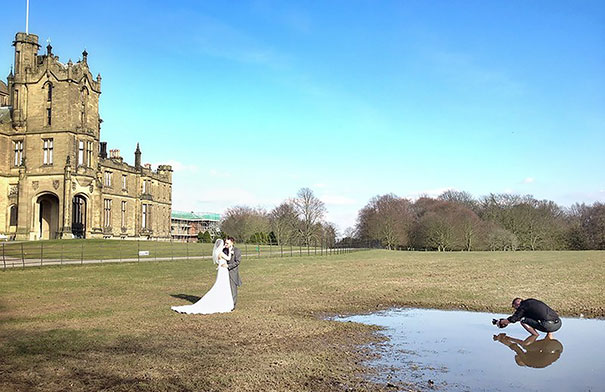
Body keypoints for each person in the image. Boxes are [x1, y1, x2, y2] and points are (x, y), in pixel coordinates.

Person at [171, 239, 234, 314]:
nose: (225, 245)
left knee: (221, 285)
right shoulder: (220, 253)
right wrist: (230, 250)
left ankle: (221, 300)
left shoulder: (217, 251)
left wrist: (225, 247)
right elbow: (229, 258)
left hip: (221, 270)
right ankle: (222, 302)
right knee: (223, 285)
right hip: (223, 270)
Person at [496, 298, 561, 338]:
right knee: (544, 318)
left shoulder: (522, 307)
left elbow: (514, 319)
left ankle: (535, 336)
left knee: (523, 321)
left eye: (514, 307)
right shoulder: (531, 301)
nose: (516, 310)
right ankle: (549, 337)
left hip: (549, 325)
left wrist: (501, 322)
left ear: (517, 305)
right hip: (558, 323)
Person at [493, 333, 564, 368]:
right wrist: (501, 340)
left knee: (531, 346)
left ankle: (550, 330)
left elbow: (520, 346)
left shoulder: (533, 359)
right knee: (527, 346)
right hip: (550, 347)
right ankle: (535, 334)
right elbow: (516, 348)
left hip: (559, 348)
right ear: (520, 359)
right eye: (517, 356)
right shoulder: (526, 361)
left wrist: (509, 338)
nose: (517, 354)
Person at [225, 237, 242, 308]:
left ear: (232, 243)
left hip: (232, 272)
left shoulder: (237, 250)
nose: (225, 244)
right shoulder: (223, 250)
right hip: (224, 272)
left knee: (233, 289)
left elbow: (237, 262)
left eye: (227, 243)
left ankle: (232, 305)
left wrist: (228, 266)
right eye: (225, 243)